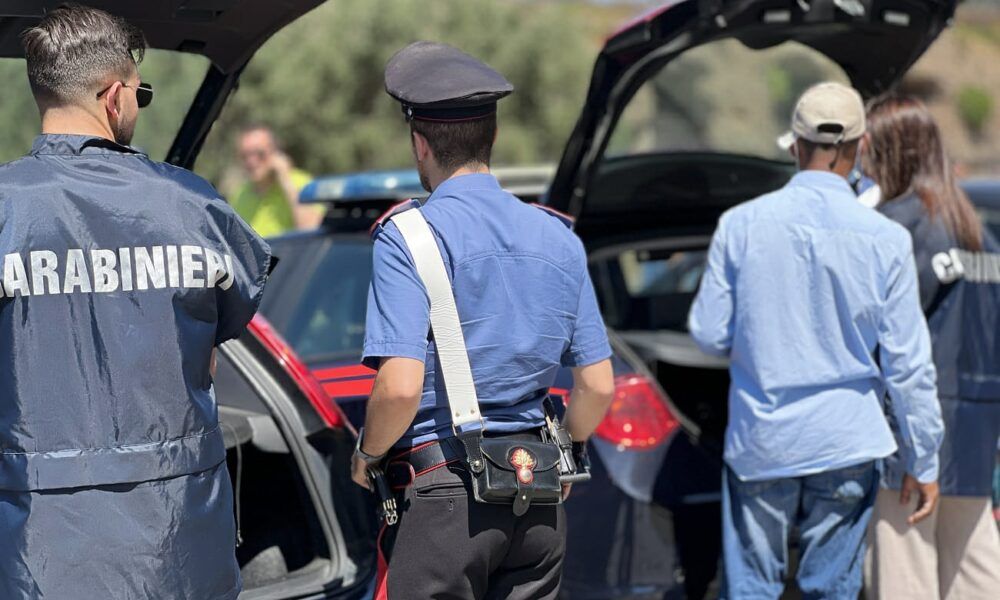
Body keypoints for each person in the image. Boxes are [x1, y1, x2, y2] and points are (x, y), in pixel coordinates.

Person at [0, 6, 270, 599]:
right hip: (178, 542)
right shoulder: (193, 207)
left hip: (36, 549)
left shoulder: (5, 212)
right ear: (115, 95)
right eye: (140, 92)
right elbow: (209, 347)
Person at [350, 41, 615, 599]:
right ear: (491, 138)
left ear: (420, 143)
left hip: (442, 494)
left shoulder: (408, 237)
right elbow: (596, 385)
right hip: (538, 490)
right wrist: (565, 447)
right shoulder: (558, 238)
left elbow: (399, 388)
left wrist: (368, 454)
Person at [688, 82, 944, 599]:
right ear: (861, 147)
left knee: (752, 590)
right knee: (832, 589)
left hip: (763, 442)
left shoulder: (739, 226)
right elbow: (909, 368)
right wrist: (925, 460)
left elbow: (708, 333)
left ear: (795, 145)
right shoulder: (888, 240)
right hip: (847, 442)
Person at [861, 95, 1000, 600]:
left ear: (889, 151)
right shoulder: (979, 232)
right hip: (977, 433)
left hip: (913, 433)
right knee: (976, 571)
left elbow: (881, 337)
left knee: (903, 572)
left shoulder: (897, 228)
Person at [230, 125, 320, 237]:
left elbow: (312, 230)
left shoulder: (302, 183)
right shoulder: (240, 194)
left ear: (276, 153)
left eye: (259, 153)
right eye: (245, 156)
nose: (251, 161)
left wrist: (285, 180)